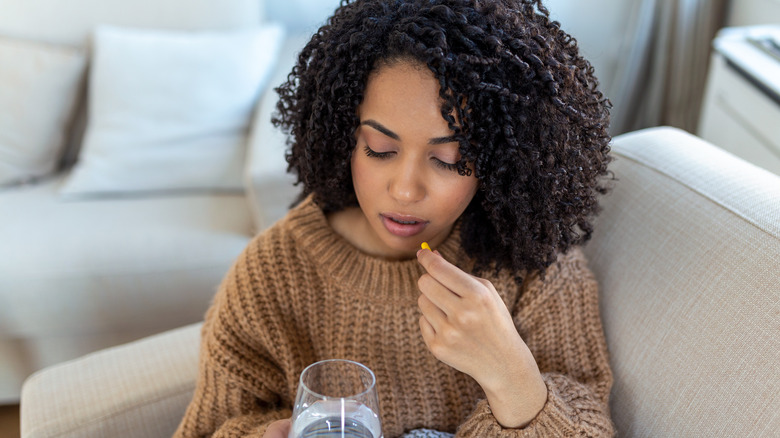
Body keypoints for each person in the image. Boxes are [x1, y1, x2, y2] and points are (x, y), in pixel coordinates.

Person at [174, 0, 614, 436]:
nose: (405, 190)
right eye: (380, 150)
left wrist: (510, 373)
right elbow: (211, 426)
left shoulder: (531, 266)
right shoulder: (271, 276)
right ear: (344, 137)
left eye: (447, 159)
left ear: (501, 161)